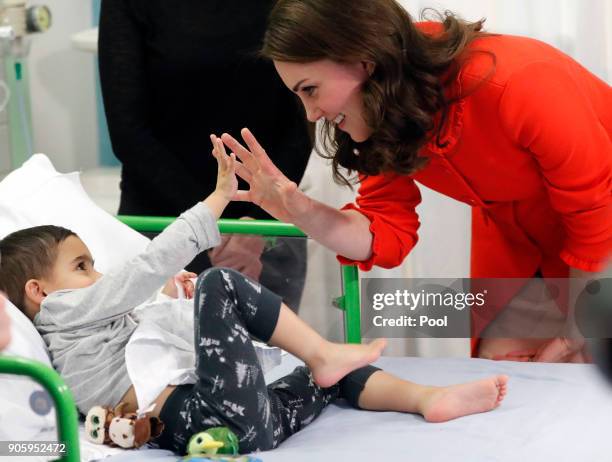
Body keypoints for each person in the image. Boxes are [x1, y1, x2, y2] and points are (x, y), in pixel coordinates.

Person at [0, 137, 507, 455]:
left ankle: (428, 399)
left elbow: (159, 334)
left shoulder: (98, 326)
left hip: (247, 423)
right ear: (38, 291)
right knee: (222, 284)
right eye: (83, 266)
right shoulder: (63, 314)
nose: (98, 274)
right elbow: (143, 268)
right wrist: (216, 201)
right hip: (201, 415)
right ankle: (326, 354)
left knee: (322, 380)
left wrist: (177, 301)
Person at [218, 0, 612, 364]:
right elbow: (383, 233)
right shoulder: (383, 110)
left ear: (362, 60)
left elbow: (596, 212)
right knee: (507, 380)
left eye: (310, 90)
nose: (312, 113)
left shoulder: (520, 81)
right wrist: (302, 212)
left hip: (602, 237)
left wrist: (578, 331)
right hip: (519, 244)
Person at [98, 0, 312, 308]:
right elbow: (128, 131)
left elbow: (304, 119)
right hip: (164, 228)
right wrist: (212, 222)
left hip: (266, 226)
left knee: (272, 355)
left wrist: (255, 222)